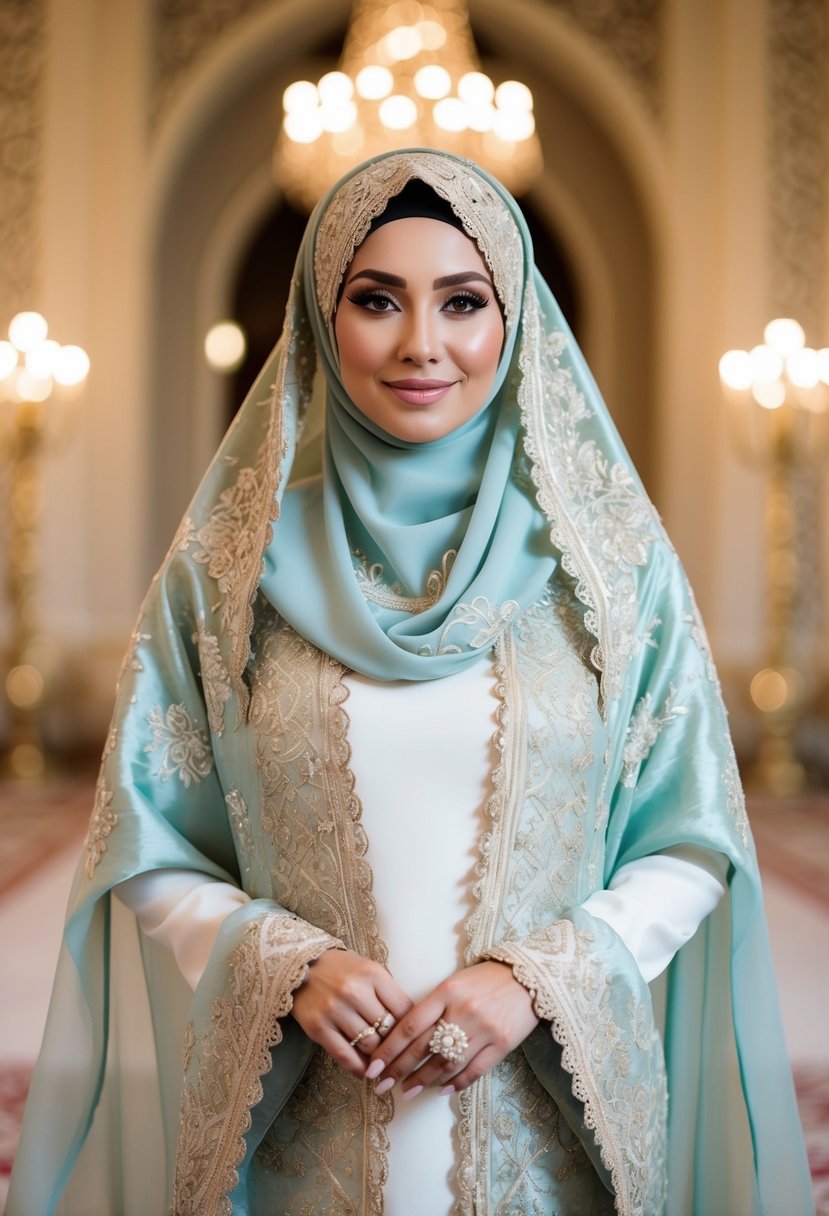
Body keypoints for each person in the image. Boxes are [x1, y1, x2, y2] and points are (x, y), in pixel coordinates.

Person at [7, 149, 813, 1216]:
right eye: (376, 299)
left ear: (514, 322)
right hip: (297, 1124)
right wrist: (284, 964)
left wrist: (532, 984)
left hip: (546, 1118)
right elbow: (146, 839)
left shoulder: (610, 576)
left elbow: (692, 839)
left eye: (464, 301)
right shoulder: (224, 576)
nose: (422, 344)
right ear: (318, 320)